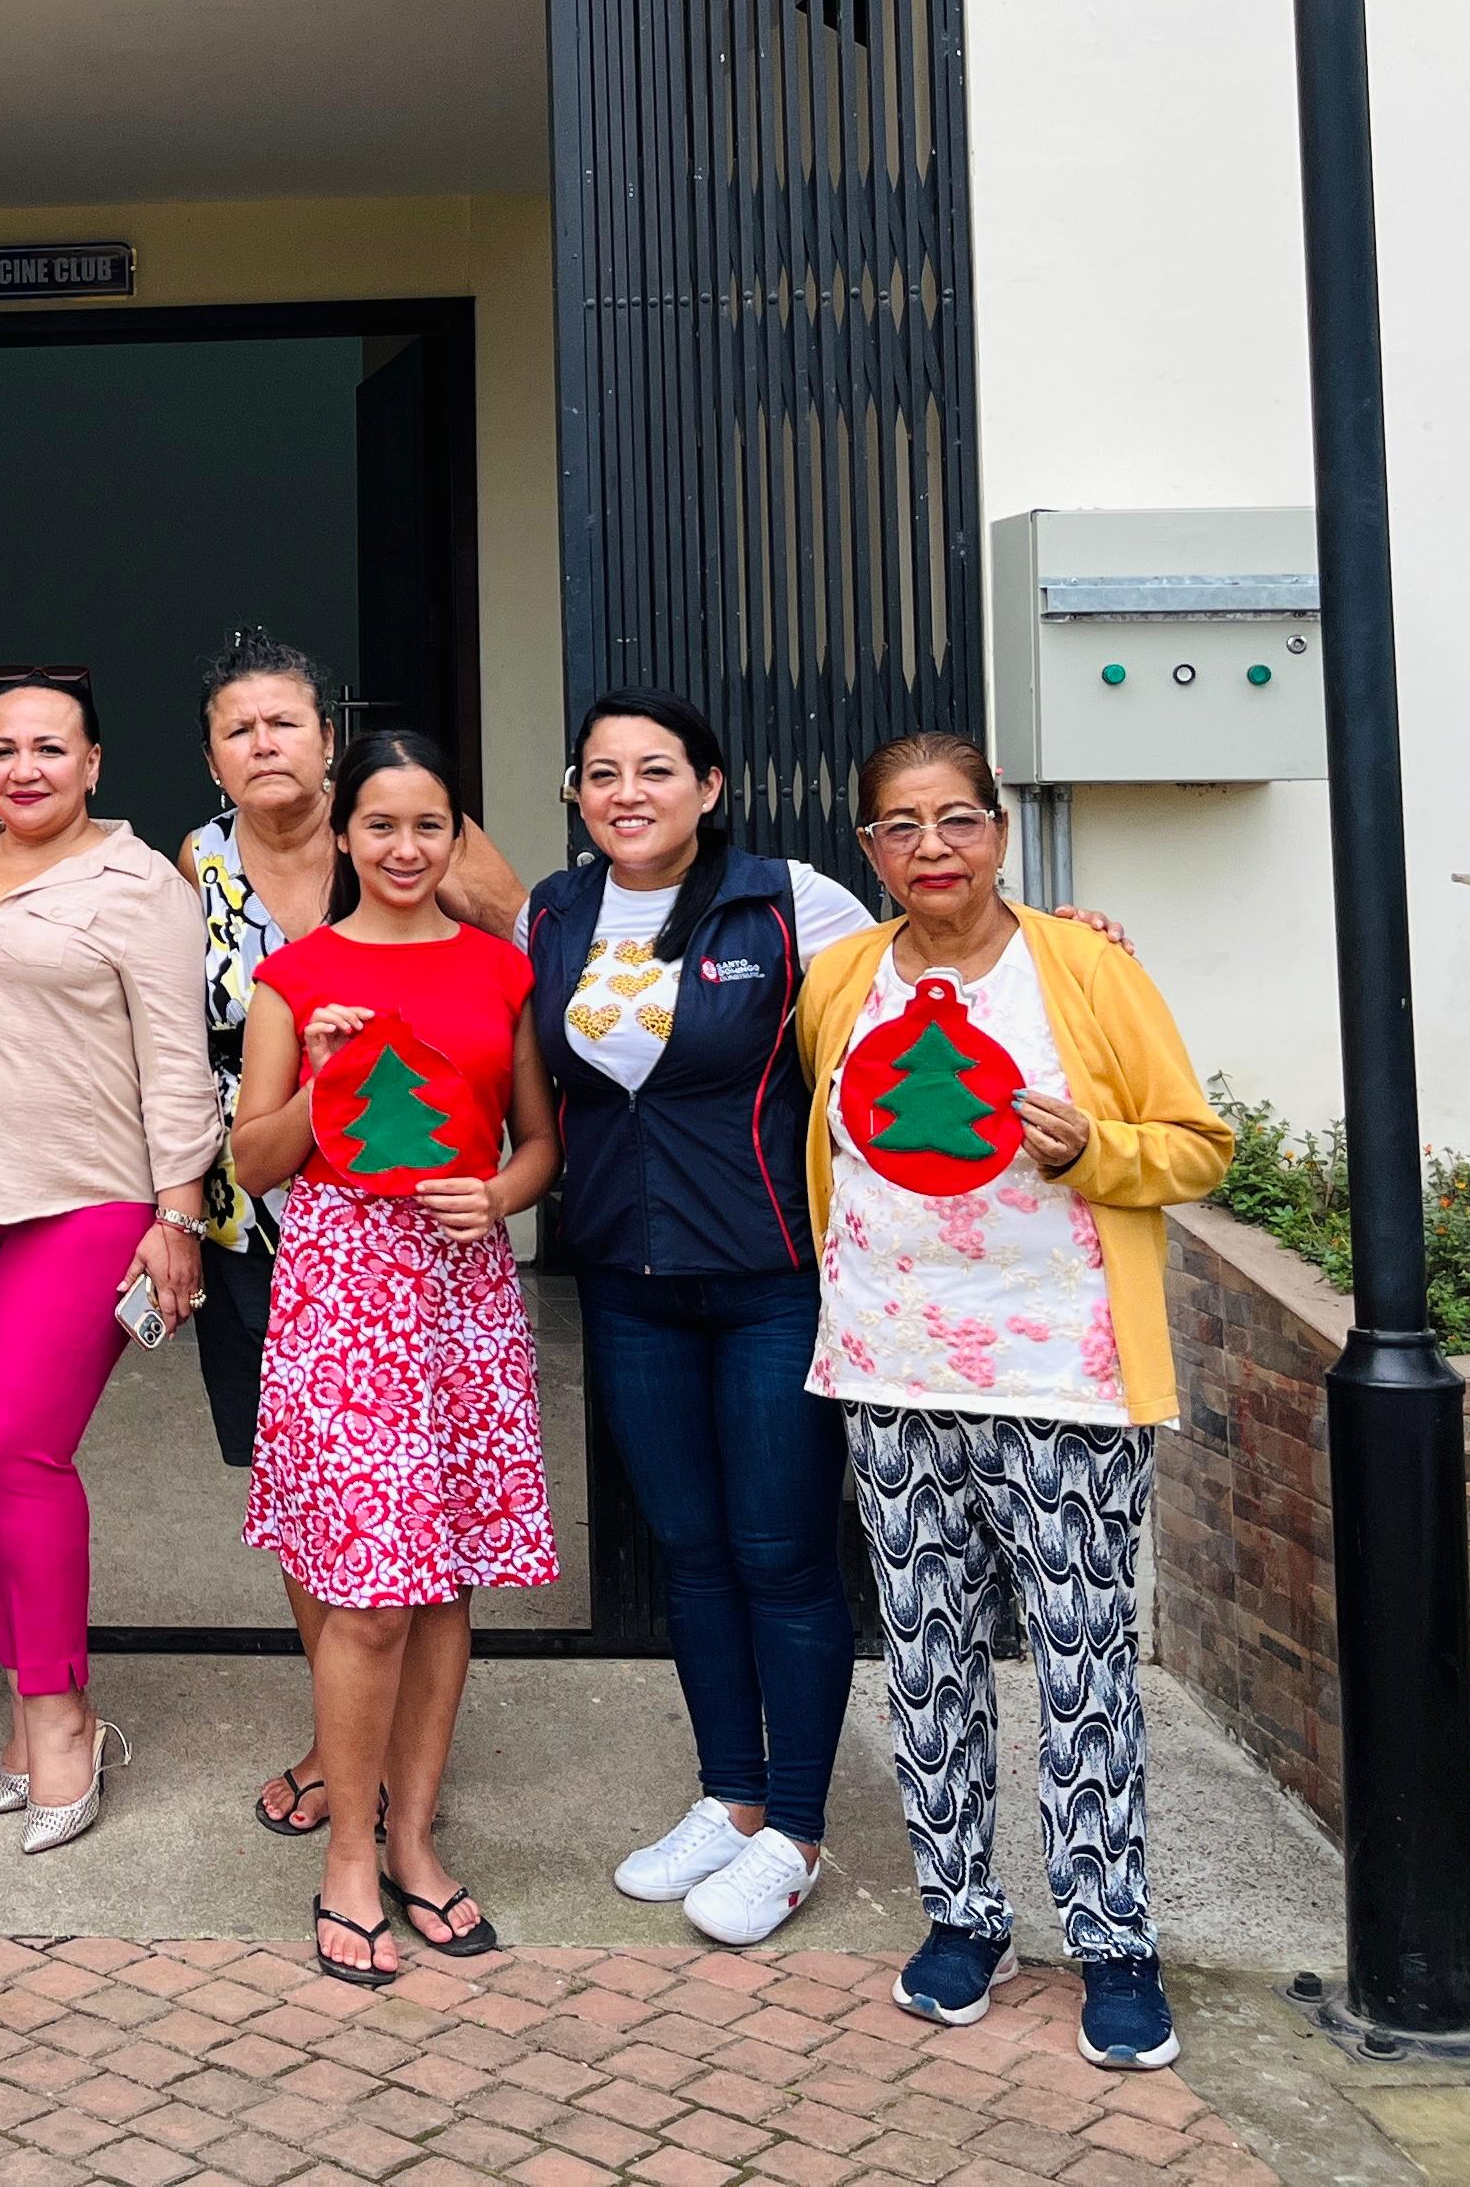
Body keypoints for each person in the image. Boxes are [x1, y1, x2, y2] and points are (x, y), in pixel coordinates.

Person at [798, 730, 1232, 2074]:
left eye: (959, 820)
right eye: (902, 826)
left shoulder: (1084, 968)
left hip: (1065, 1375)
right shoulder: (841, 978)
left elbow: (1197, 1146)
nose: (933, 847)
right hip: (888, 1366)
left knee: (1083, 1659)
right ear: (868, 850)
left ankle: (1113, 1941)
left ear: (1001, 830)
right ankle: (963, 1917)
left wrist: (1097, 1148)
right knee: (926, 1654)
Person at [522, 691, 878, 1945]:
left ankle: (797, 1831)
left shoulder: (792, 903)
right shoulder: (551, 912)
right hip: (628, 1283)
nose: (628, 793)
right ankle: (731, 1800)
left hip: (772, 1278)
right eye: (602, 772)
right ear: (578, 792)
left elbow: (926, 983)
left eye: (656, 769)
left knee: (782, 1552)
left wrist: (1066, 937)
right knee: (691, 1549)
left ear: (710, 787)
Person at [175, 630, 524, 1843]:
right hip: (259, 1209)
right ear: (211, 758)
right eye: (239, 729)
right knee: (309, 1491)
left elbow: (526, 945)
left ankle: (388, 1761)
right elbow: (174, 1042)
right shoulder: (198, 861)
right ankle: (343, 1746)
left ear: (330, 739)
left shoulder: (398, 824)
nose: (264, 744)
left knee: (423, 1495)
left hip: (414, 1218)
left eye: (286, 722)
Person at [227, 730, 558, 1985]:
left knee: (445, 1583)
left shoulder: (501, 970)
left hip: (461, 1291)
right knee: (367, 1595)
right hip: (343, 1291)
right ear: (342, 835)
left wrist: (503, 1194)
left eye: (430, 826)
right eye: (381, 825)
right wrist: (320, 1083)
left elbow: (538, 1143)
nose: (405, 849)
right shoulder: (296, 974)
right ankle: (349, 1859)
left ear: (457, 836)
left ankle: (414, 1839)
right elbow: (251, 1160)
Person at [0, 673, 218, 1856]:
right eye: (2, 749)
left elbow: (178, 1060)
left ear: (94, 764)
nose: (22, 769)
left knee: (13, 1447)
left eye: (49, 748)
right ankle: (22, 1706)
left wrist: (177, 1212)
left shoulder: (143, 888)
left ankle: (65, 1715)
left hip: (85, 1198)